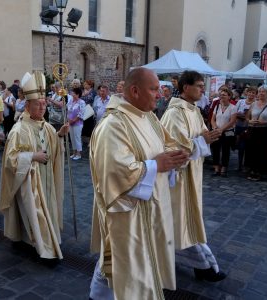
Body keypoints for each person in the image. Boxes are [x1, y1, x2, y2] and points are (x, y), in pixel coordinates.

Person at [89, 67, 189, 299]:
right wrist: (155, 166)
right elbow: (114, 173)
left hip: (153, 208)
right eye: (154, 89)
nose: (160, 94)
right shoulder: (113, 125)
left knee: (122, 265)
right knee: (127, 267)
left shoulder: (150, 117)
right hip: (129, 214)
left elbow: (166, 145)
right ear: (134, 91)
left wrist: (175, 157)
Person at [160, 70, 226, 283]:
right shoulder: (174, 113)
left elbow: (201, 136)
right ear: (185, 87)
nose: (202, 89)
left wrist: (208, 138)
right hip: (178, 177)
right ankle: (201, 265)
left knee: (188, 219)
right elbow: (174, 146)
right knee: (181, 220)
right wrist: (202, 140)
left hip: (192, 173)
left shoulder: (194, 110)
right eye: (198, 85)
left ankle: (199, 264)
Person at [0, 71, 70, 264]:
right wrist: (32, 157)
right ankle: (44, 249)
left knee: (40, 214)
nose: (42, 107)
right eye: (38, 104)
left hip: (46, 180)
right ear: (27, 106)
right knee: (35, 213)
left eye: (44, 103)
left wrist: (60, 136)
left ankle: (29, 240)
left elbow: (52, 148)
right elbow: (10, 160)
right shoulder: (19, 129)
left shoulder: (46, 126)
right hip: (29, 182)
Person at [245, 85, 267, 181]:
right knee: (252, 150)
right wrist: (250, 121)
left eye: (263, 92)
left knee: (262, 152)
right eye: (260, 91)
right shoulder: (253, 104)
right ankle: (252, 169)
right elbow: (247, 117)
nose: (261, 93)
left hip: (264, 131)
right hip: (253, 130)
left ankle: (260, 171)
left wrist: (263, 122)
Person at [210, 88, 237, 177]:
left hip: (227, 132)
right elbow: (213, 119)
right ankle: (216, 168)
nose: (222, 97)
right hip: (216, 131)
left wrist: (221, 129)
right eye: (221, 95)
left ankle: (224, 168)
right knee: (215, 149)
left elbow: (232, 121)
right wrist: (215, 127)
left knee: (226, 150)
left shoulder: (233, 108)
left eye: (224, 95)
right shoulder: (217, 106)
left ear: (229, 97)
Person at [67, 87, 86, 160]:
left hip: (77, 123)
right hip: (70, 122)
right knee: (72, 138)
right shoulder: (70, 101)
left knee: (77, 138)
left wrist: (73, 120)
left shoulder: (82, 102)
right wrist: (69, 120)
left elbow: (81, 114)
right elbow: (68, 110)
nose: (72, 94)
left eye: (73, 93)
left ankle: (78, 153)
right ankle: (74, 152)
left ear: (78, 94)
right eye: (72, 93)